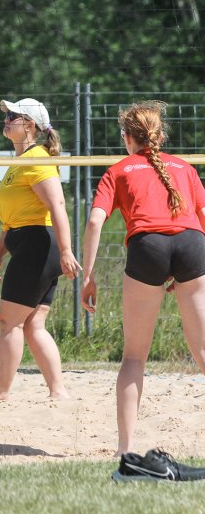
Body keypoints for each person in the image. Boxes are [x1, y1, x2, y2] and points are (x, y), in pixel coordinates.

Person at [81, 101, 205, 457]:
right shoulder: (184, 167)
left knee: (135, 357)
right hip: (192, 243)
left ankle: (125, 451)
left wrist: (88, 277)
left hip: (147, 245)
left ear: (127, 137)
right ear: (160, 136)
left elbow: (94, 223)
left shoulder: (119, 169)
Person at [0, 98, 80, 400]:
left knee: (8, 321)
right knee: (33, 324)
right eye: (7, 115)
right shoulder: (21, 160)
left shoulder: (36, 158)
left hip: (39, 245)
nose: (6, 119)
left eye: (13, 115)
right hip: (33, 244)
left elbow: (58, 204)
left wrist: (67, 250)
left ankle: (0, 395)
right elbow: (12, 220)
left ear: (30, 125)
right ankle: (59, 392)